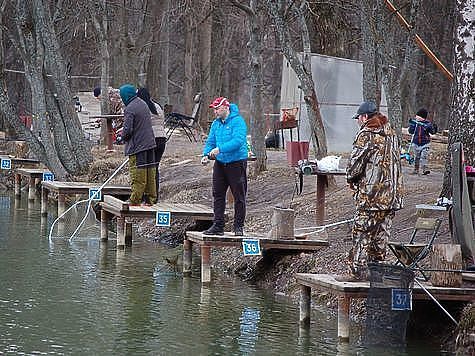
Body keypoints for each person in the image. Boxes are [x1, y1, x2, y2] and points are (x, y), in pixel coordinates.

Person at [336, 101, 403, 282]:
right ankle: (377, 275)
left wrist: (351, 179)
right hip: (392, 197)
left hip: (371, 195)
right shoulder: (392, 133)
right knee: (381, 237)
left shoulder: (366, 134)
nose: (358, 121)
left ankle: (356, 272)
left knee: (361, 233)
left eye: (358, 118)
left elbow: (355, 165)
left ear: (365, 117)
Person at [201, 97, 248, 236]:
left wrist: (220, 149)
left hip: (236, 162)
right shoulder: (216, 124)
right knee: (218, 194)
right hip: (220, 163)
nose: (215, 111)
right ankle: (218, 225)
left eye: (217, 108)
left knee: (239, 195)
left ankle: (238, 227)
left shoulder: (238, 121)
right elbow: (210, 141)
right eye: (214, 109)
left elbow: (238, 141)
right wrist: (205, 155)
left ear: (225, 107)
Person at [118, 84, 157, 206]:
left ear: (125, 96)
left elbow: (128, 130)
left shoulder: (130, 108)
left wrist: (121, 137)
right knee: (150, 172)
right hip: (150, 144)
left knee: (138, 173)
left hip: (137, 146)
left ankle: (135, 200)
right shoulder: (143, 104)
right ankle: (150, 199)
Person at [137, 87, 166, 199]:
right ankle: (155, 195)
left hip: (150, 139)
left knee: (147, 168)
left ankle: (146, 196)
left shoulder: (143, 107)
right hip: (162, 138)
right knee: (155, 167)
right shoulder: (157, 106)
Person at [408, 108, 437, 175]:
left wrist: (434, 128)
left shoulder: (427, 124)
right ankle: (416, 169)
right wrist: (412, 125)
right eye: (416, 116)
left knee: (424, 156)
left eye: (418, 116)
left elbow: (432, 132)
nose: (416, 117)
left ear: (422, 118)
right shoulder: (415, 123)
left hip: (425, 143)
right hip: (416, 143)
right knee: (416, 157)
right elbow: (410, 131)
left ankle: (425, 169)